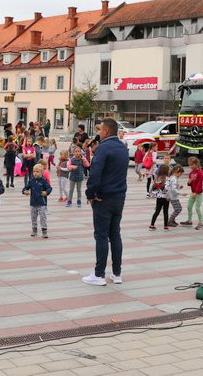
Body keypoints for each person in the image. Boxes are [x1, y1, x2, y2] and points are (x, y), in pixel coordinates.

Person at [83, 118, 129, 286]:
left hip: (103, 198)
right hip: (119, 197)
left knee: (101, 235)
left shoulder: (103, 149)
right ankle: (117, 274)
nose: (98, 132)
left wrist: (90, 193)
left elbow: (95, 175)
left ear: (107, 131)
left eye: (100, 129)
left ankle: (99, 274)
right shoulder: (123, 148)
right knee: (115, 234)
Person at [23, 164, 52, 238]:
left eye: (37, 171)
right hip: (33, 203)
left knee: (43, 217)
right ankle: (34, 230)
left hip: (42, 203)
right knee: (33, 217)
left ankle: (44, 231)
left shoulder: (43, 180)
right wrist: (25, 191)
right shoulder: (31, 180)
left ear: (41, 172)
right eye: (34, 171)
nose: (35, 173)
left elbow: (49, 188)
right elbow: (25, 188)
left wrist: (46, 192)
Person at [182, 157, 203, 229]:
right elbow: (190, 183)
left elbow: (200, 183)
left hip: (199, 193)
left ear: (196, 164)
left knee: (197, 208)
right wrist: (189, 183)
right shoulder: (191, 173)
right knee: (189, 206)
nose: (190, 166)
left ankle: (200, 223)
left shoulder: (200, 173)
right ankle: (189, 221)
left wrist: (196, 192)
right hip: (193, 192)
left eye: (192, 165)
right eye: (189, 165)